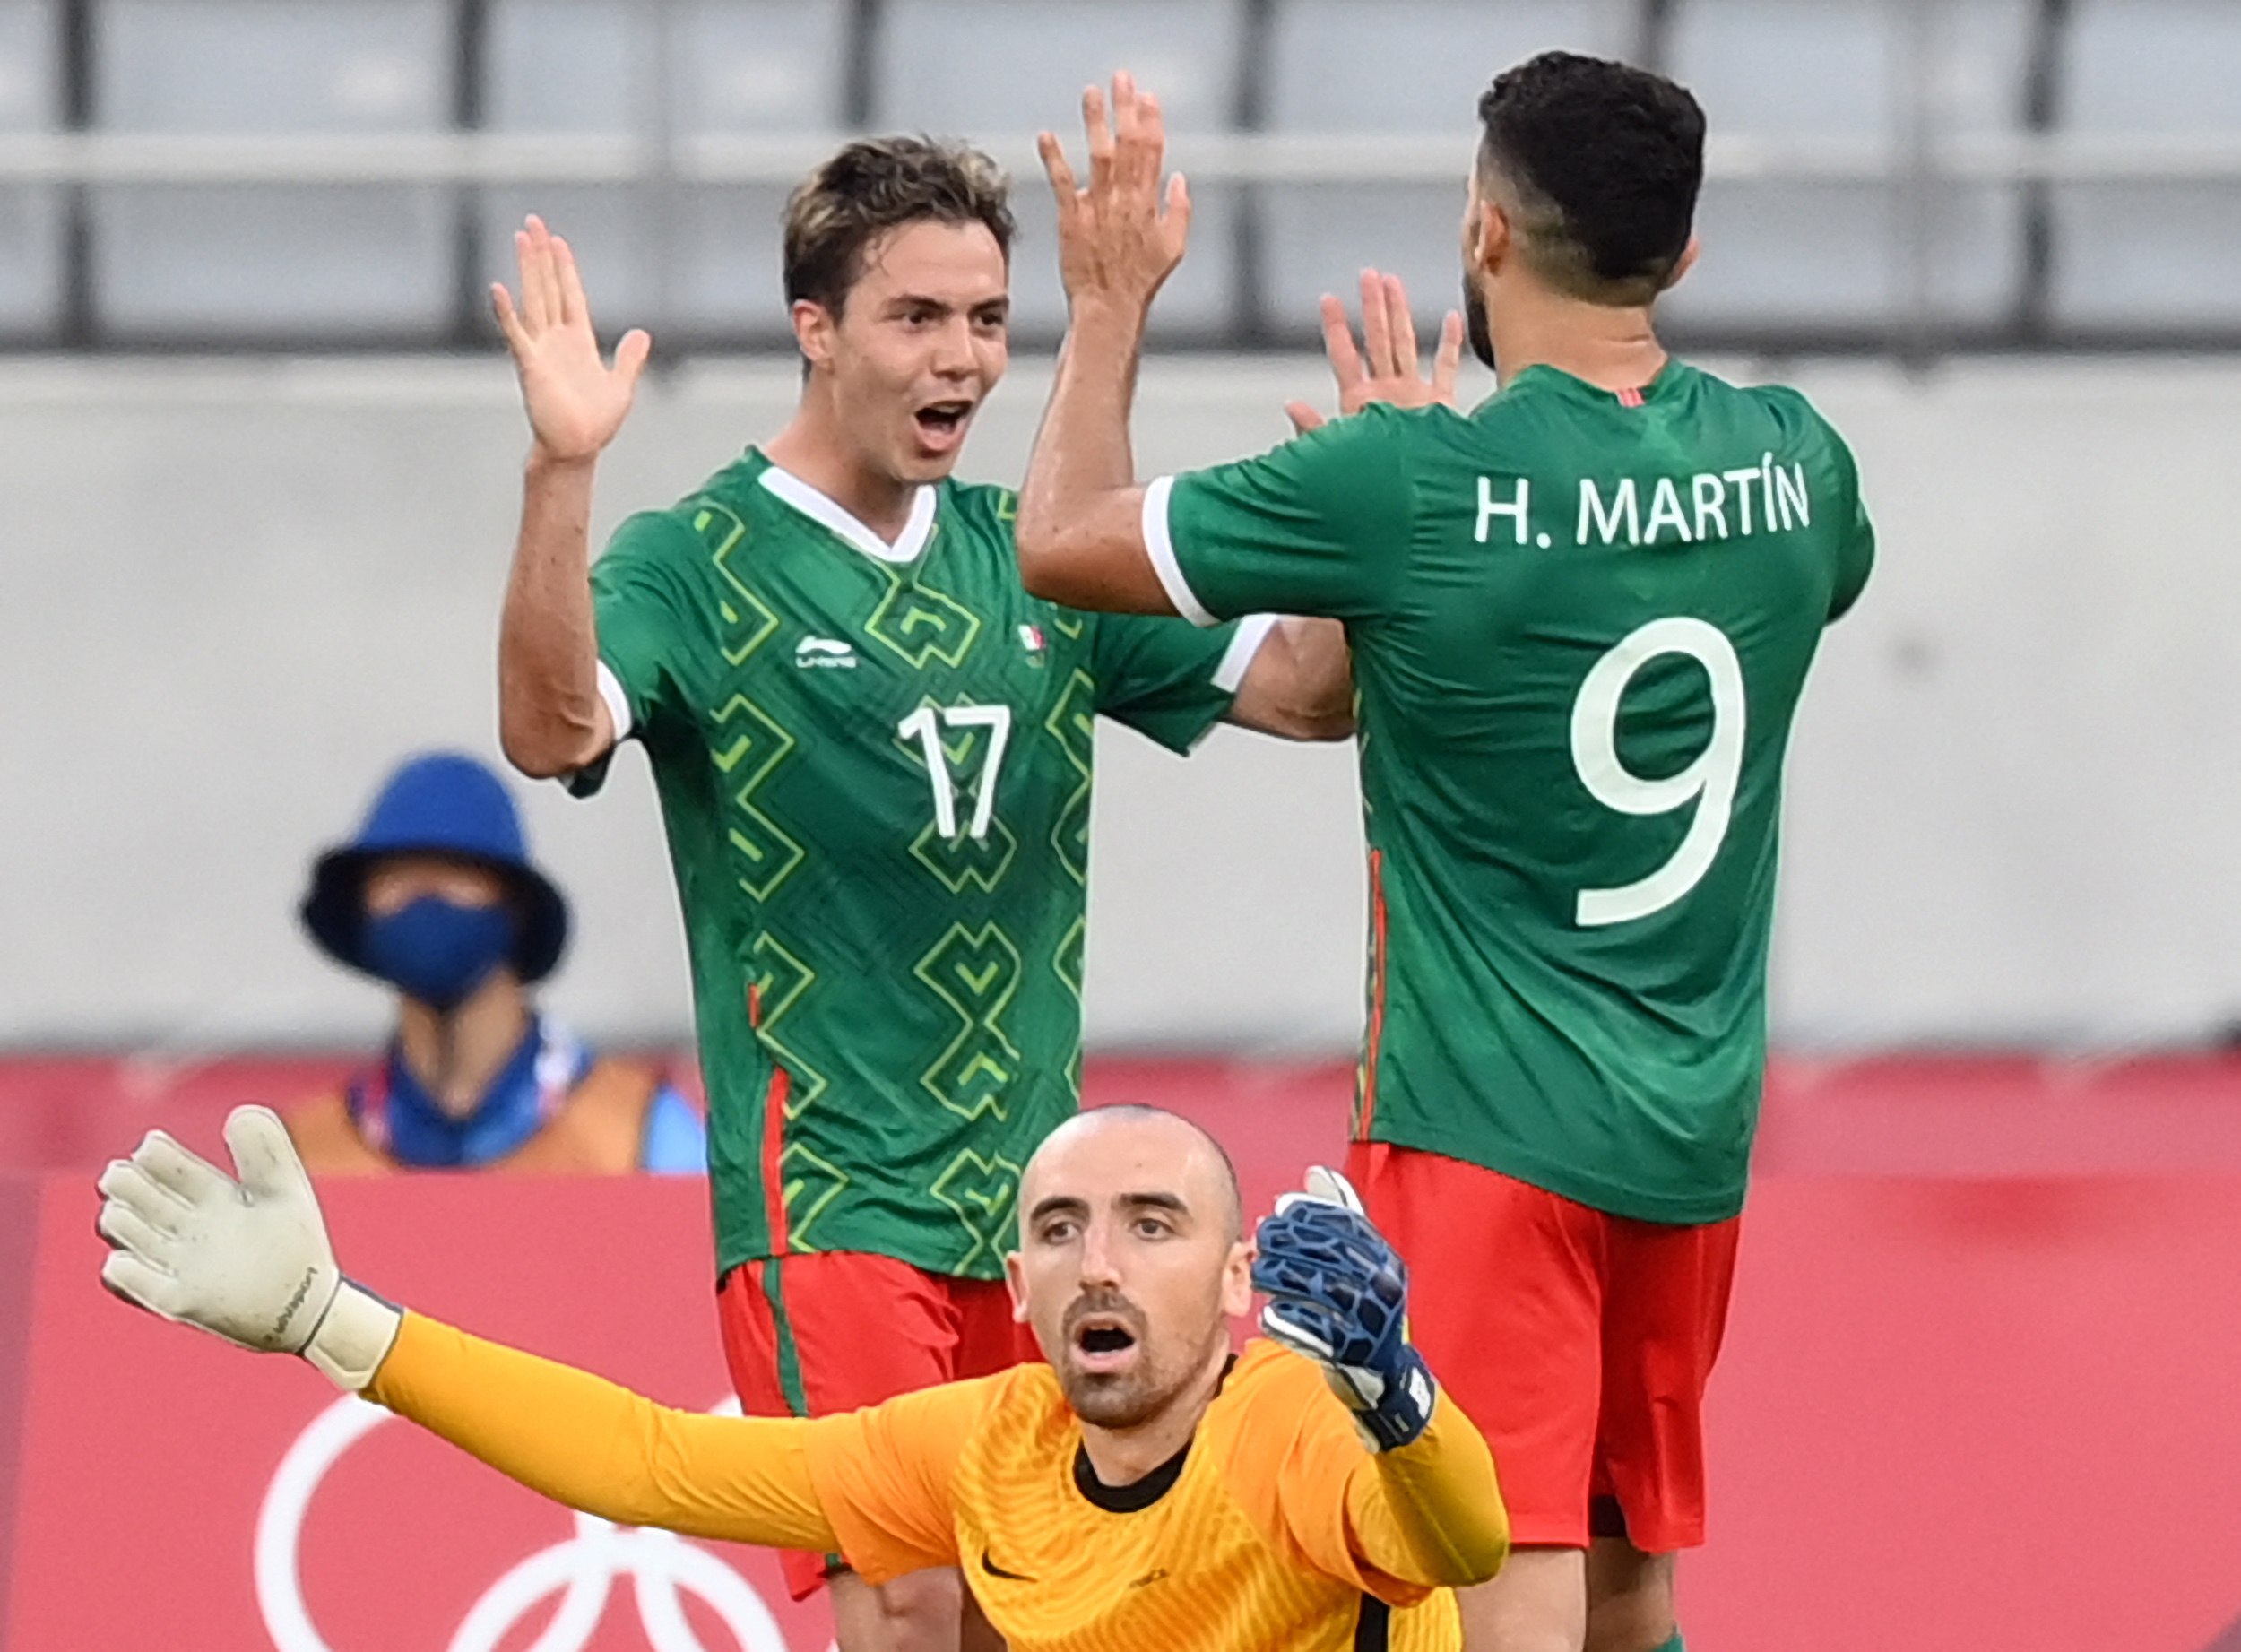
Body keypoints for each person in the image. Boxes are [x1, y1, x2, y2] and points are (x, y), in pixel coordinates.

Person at [1012, 60, 1874, 1652]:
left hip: (1485, 1126)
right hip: (1691, 1138)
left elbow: (1058, 536)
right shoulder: (1801, 466)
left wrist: (1109, 299)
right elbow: (1754, 580)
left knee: (1501, 1582)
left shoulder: (1409, 483)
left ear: (1483, 229)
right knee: (1636, 1577)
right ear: (1680, 258)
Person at [489, 138, 1354, 1648]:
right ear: (814, 326)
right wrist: (563, 466)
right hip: (831, 1198)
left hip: (1037, 1219)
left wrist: (1370, 515)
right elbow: (551, 726)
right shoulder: (696, 562)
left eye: (987, 318)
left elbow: (1307, 693)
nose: (962, 357)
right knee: (907, 1604)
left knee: (1027, 1617)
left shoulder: (1038, 559)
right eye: (918, 318)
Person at [96, 1103, 1507, 1650]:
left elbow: (1463, 1539)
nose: (1100, 1262)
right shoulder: (982, 1443)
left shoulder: (1297, 1422)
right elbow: (653, 1462)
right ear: (1015, 1289)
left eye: (1154, 1224)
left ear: (1241, 1279)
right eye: (1061, 1228)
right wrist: (334, 1318)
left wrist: (1397, 1393)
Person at [290, 749, 705, 1175]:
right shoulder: (306, 1158)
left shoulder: (642, 1133)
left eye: (455, 869)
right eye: (395, 877)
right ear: (363, 913)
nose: (424, 895)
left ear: (516, 905)